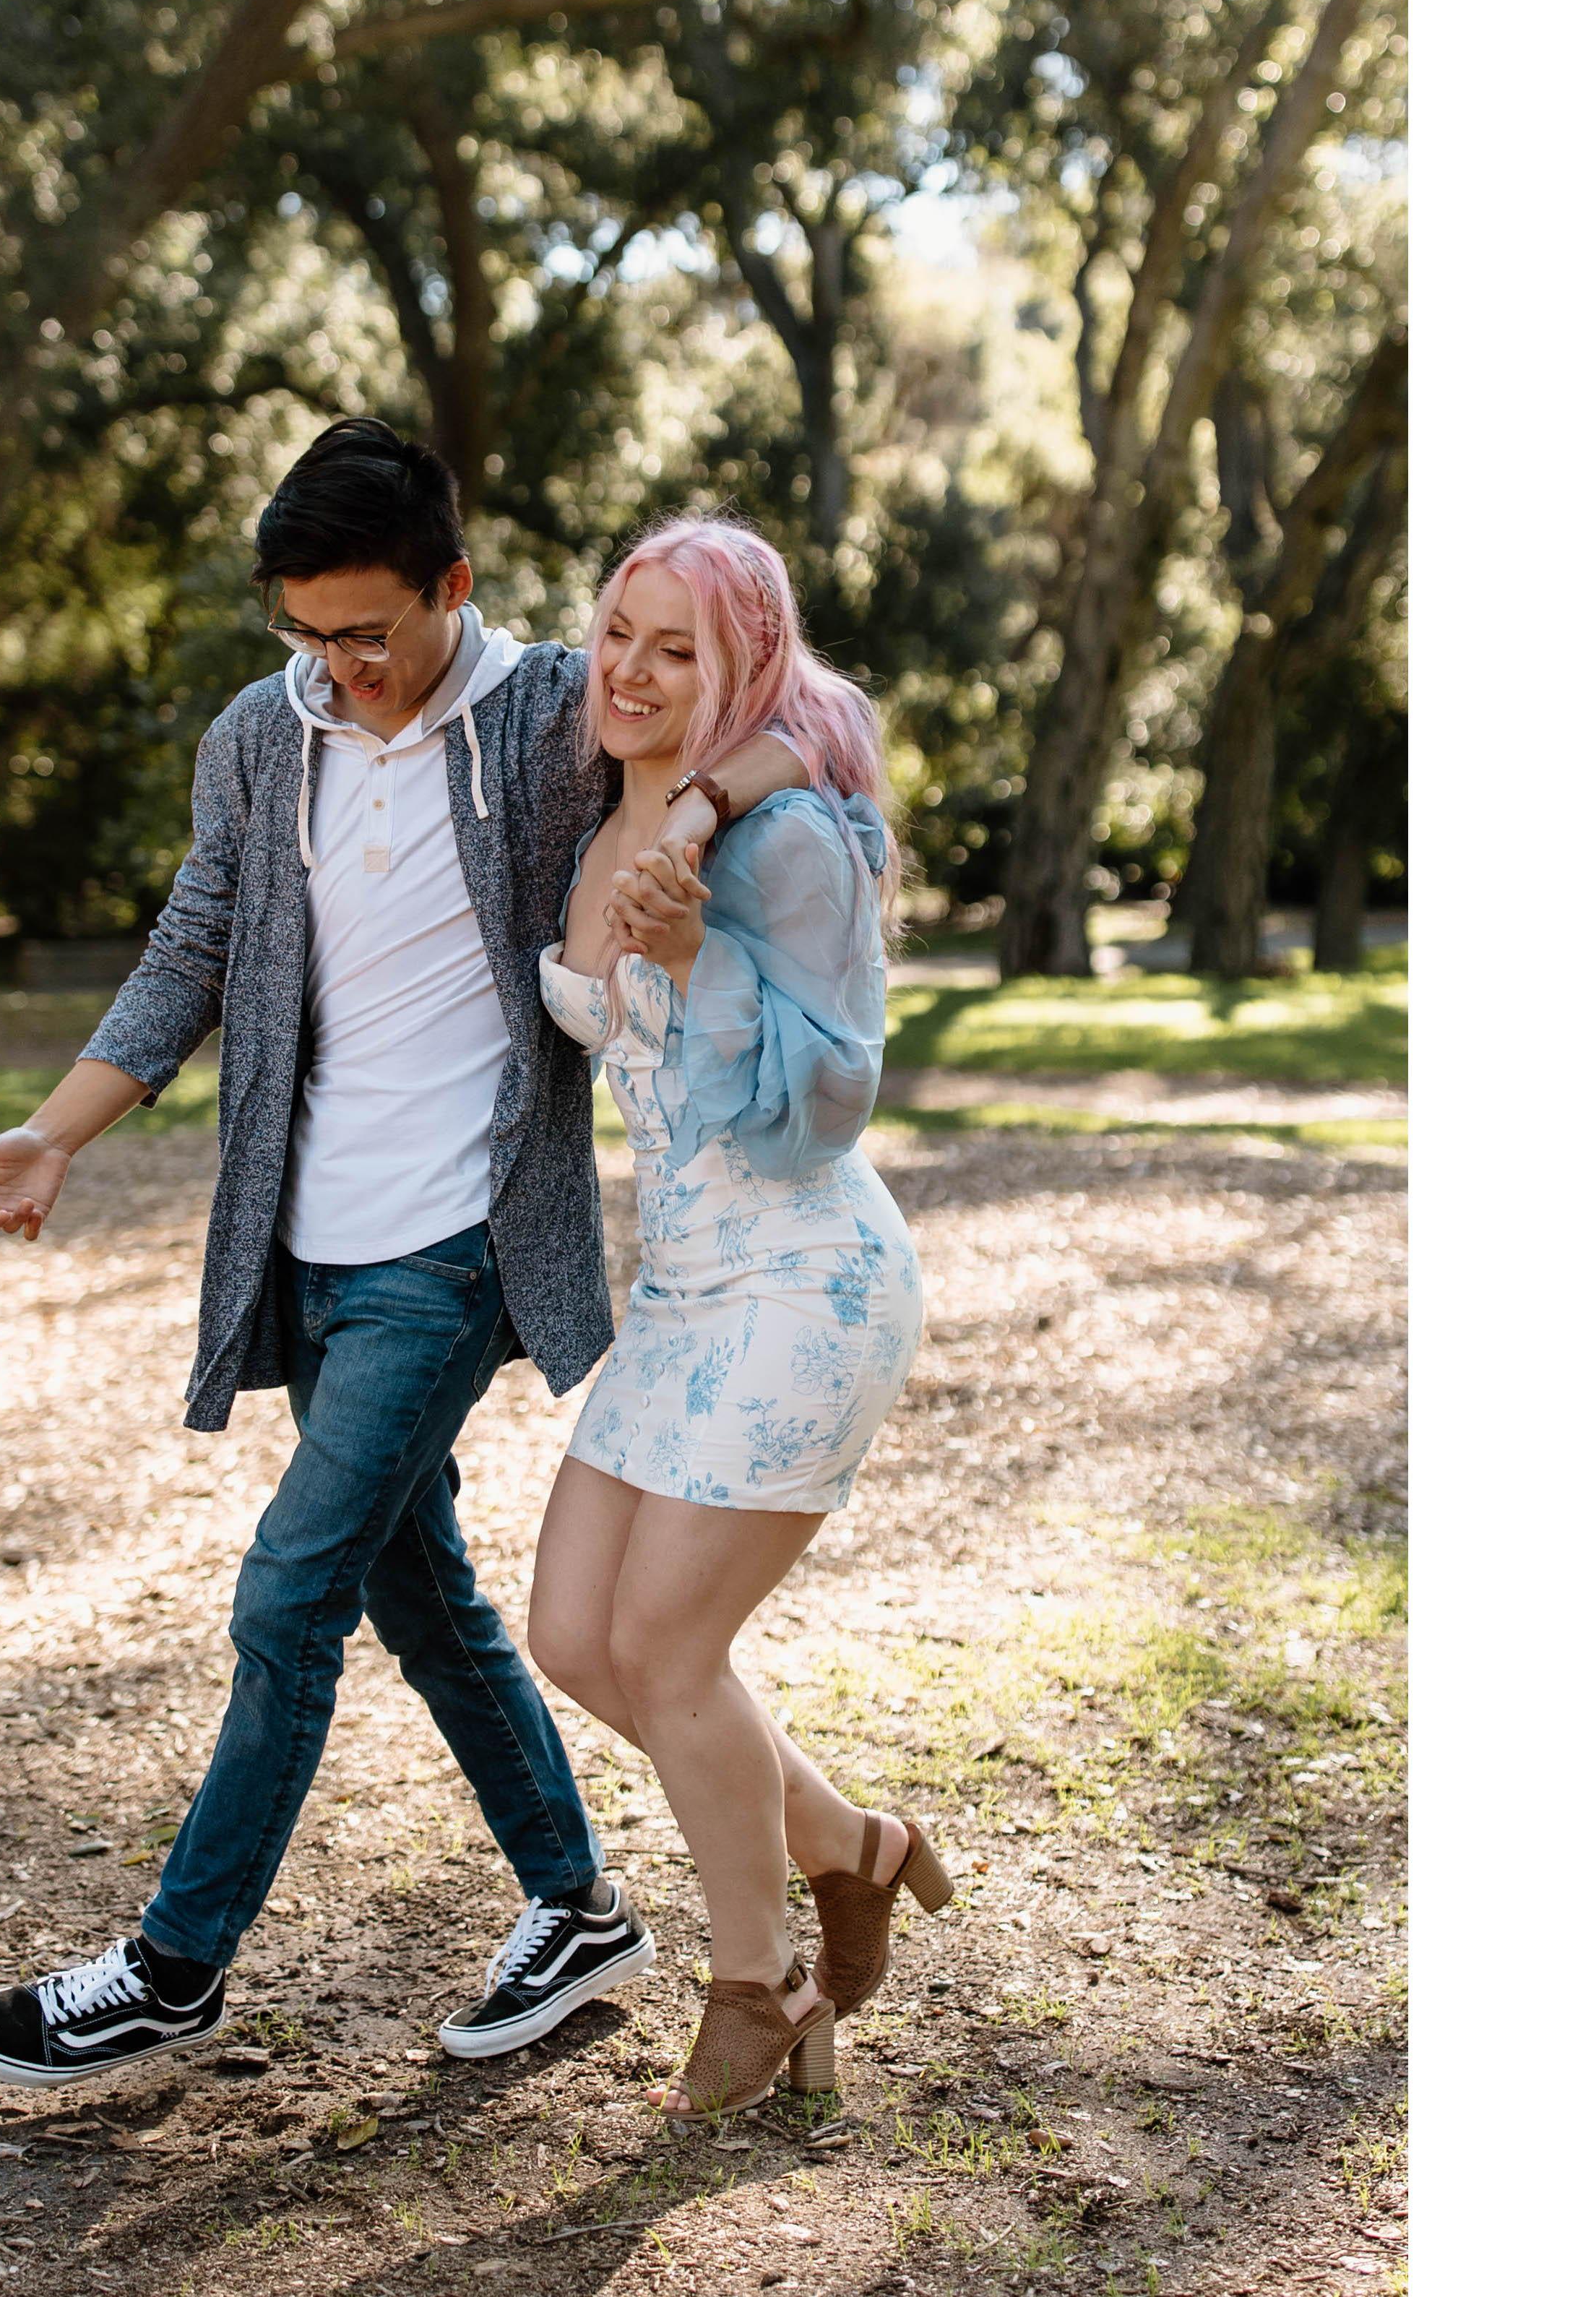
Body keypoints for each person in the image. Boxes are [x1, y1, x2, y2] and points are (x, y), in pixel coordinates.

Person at [0, 423, 816, 2089]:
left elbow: (798, 727)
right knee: (423, 1591)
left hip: (456, 1244)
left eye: (370, 632)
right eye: (309, 633)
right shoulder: (262, 738)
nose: (341, 666)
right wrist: (59, 1130)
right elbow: (195, 942)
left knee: (291, 1589)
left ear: (452, 584)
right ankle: (578, 1904)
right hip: (307, 1245)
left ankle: (175, 1965)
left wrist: (699, 801)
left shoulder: (553, 711)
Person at [522, 517, 953, 2124]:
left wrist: (700, 951)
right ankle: (852, 1845)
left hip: (807, 1277)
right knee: (575, 1636)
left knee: (667, 1647)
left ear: (745, 666)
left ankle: (758, 1981)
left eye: (678, 648)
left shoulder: (789, 846)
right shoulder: (602, 819)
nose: (632, 672)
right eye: (619, 634)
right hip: (681, 1288)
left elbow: (834, 1100)